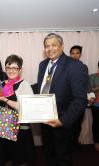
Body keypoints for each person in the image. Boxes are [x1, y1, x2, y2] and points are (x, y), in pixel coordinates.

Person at [37, 33, 88, 166]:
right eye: (47, 46)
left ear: (62, 46)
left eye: (54, 45)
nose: (50, 49)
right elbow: (43, 88)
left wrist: (62, 121)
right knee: (49, 153)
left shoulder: (75, 65)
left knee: (63, 157)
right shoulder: (42, 65)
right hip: (44, 119)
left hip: (62, 121)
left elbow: (80, 99)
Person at [0, 54, 36, 166]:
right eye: (8, 67)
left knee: (19, 158)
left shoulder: (24, 85)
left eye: (14, 68)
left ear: (20, 69)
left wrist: (5, 100)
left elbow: (26, 107)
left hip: (20, 129)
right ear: (5, 68)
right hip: (2, 125)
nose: (11, 71)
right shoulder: (0, 84)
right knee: (5, 158)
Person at [69, 45, 86, 148]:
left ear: (80, 54)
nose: (75, 55)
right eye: (73, 53)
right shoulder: (66, 66)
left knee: (78, 123)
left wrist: (90, 95)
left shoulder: (84, 67)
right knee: (69, 123)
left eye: (77, 53)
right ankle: (68, 143)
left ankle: (75, 141)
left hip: (80, 100)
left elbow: (86, 82)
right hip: (69, 101)